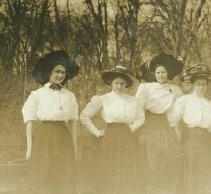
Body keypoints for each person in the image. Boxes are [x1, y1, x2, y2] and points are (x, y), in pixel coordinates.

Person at [80, 65, 145, 194]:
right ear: (111, 83)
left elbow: (141, 118)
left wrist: (131, 128)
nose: (119, 86)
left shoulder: (133, 101)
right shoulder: (103, 99)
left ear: (126, 84)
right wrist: (97, 132)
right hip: (111, 135)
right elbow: (84, 116)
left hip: (127, 135)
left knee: (128, 166)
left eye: (122, 83)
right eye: (116, 83)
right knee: (110, 165)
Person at [22, 50, 79, 194]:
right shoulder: (37, 94)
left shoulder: (70, 96)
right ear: (49, 72)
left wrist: (74, 147)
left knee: (63, 175)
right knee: (43, 175)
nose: (60, 75)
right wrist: (29, 148)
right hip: (44, 137)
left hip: (63, 137)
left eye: (63, 72)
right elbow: (29, 122)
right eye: (57, 71)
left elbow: (73, 123)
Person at [135, 53, 185, 194]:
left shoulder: (175, 90)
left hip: (165, 124)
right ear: (154, 74)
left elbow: (174, 113)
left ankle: (168, 190)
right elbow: (138, 107)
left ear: (167, 73)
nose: (161, 75)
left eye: (163, 72)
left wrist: (175, 129)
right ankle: (148, 188)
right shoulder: (146, 87)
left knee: (172, 152)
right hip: (148, 122)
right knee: (149, 151)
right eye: (158, 72)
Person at [168, 64, 211, 194]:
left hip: (206, 140)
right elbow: (173, 120)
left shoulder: (208, 103)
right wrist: (179, 135)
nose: (201, 87)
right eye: (198, 84)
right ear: (193, 85)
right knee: (191, 168)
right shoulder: (185, 100)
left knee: (205, 169)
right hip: (191, 138)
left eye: (204, 85)